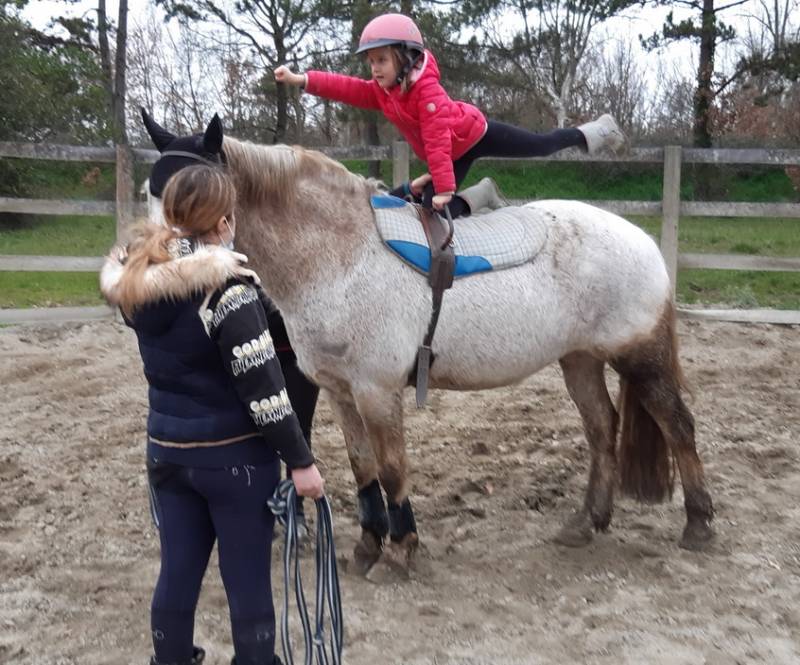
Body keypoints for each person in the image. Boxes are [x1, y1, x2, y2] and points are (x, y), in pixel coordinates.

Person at [100, 164, 324, 665]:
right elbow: (264, 391)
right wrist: (301, 462)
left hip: (166, 452)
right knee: (247, 581)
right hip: (234, 460)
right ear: (224, 223)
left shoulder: (137, 285)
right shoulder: (230, 292)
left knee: (177, 571)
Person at [274, 12, 626, 219]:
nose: (374, 68)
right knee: (433, 211)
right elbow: (346, 87)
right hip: (452, 153)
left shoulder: (426, 91)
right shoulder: (384, 91)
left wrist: (444, 187)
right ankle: (481, 195)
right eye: (371, 62)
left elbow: (437, 140)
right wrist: (302, 79)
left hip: (476, 135)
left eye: (381, 60)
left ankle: (594, 131)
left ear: (405, 58)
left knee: (541, 145)